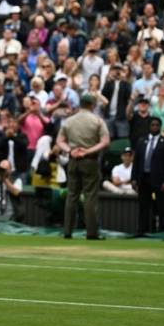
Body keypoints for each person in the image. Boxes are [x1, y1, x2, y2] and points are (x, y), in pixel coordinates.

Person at [56, 95, 110, 240]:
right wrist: (89, 150)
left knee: (72, 195)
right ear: (92, 105)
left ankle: (67, 231)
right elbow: (105, 142)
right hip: (89, 161)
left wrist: (70, 150)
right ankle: (91, 232)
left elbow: (59, 141)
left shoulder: (69, 121)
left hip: (73, 160)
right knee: (90, 196)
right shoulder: (97, 120)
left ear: (80, 104)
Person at [131, 117, 164, 234]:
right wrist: (134, 178)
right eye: (152, 125)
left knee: (162, 207)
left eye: (157, 125)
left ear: (160, 127)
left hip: (159, 179)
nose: (155, 127)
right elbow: (136, 161)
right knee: (143, 206)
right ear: (149, 126)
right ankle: (142, 230)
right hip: (143, 178)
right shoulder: (142, 141)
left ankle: (163, 231)